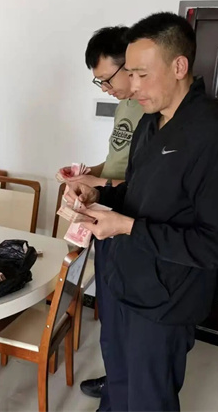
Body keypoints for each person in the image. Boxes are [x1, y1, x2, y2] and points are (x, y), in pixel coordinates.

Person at [65, 11, 218, 411]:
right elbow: (140, 194)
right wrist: (98, 197)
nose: (132, 87)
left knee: (148, 398)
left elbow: (213, 246)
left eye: (141, 75)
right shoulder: (151, 123)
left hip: (165, 300)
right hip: (124, 282)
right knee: (117, 382)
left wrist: (127, 227)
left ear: (179, 67)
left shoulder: (213, 135)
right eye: (129, 74)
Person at [56, 26, 143, 411]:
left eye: (107, 79)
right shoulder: (125, 105)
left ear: (132, 64)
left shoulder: (150, 108)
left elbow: (144, 183)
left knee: (126, 317)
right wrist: (86, 173)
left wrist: (98, 183)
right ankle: (115, 380)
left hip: (130, 221)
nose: (105, 88)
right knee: (108, 311)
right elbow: (116, 162)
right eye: (99, 82)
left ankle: (126, 388)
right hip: (106, 217)